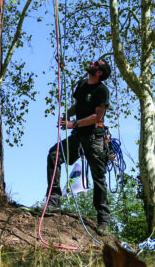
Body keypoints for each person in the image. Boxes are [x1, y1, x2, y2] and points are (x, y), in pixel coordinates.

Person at [45, 59, 112, 236]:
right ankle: (53, 202)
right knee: (54, 155)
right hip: (78, 136)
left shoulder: (102, 90)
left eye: (96, 64)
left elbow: (97, 116)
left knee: (99, 178)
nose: (92, 63)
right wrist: (67, 114)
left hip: (94, 138)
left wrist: (73, 124)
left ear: (99, 72)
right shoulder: (82, 84)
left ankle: (103, 220)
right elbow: (78, 106)